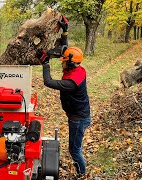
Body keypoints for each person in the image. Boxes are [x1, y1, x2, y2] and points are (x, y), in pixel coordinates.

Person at [35, 16, 91, 176]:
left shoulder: (71, 82)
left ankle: (82, 174)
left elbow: (48, 82)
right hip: (78, 114)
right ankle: (81, 171)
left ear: (70, 63)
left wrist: (45, 63)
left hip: (78, 118)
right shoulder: (77, 69)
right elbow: (65, 50)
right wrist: (65, 31)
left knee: (74, 150)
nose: (61, 62)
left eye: (63, 61)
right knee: (74, 147)